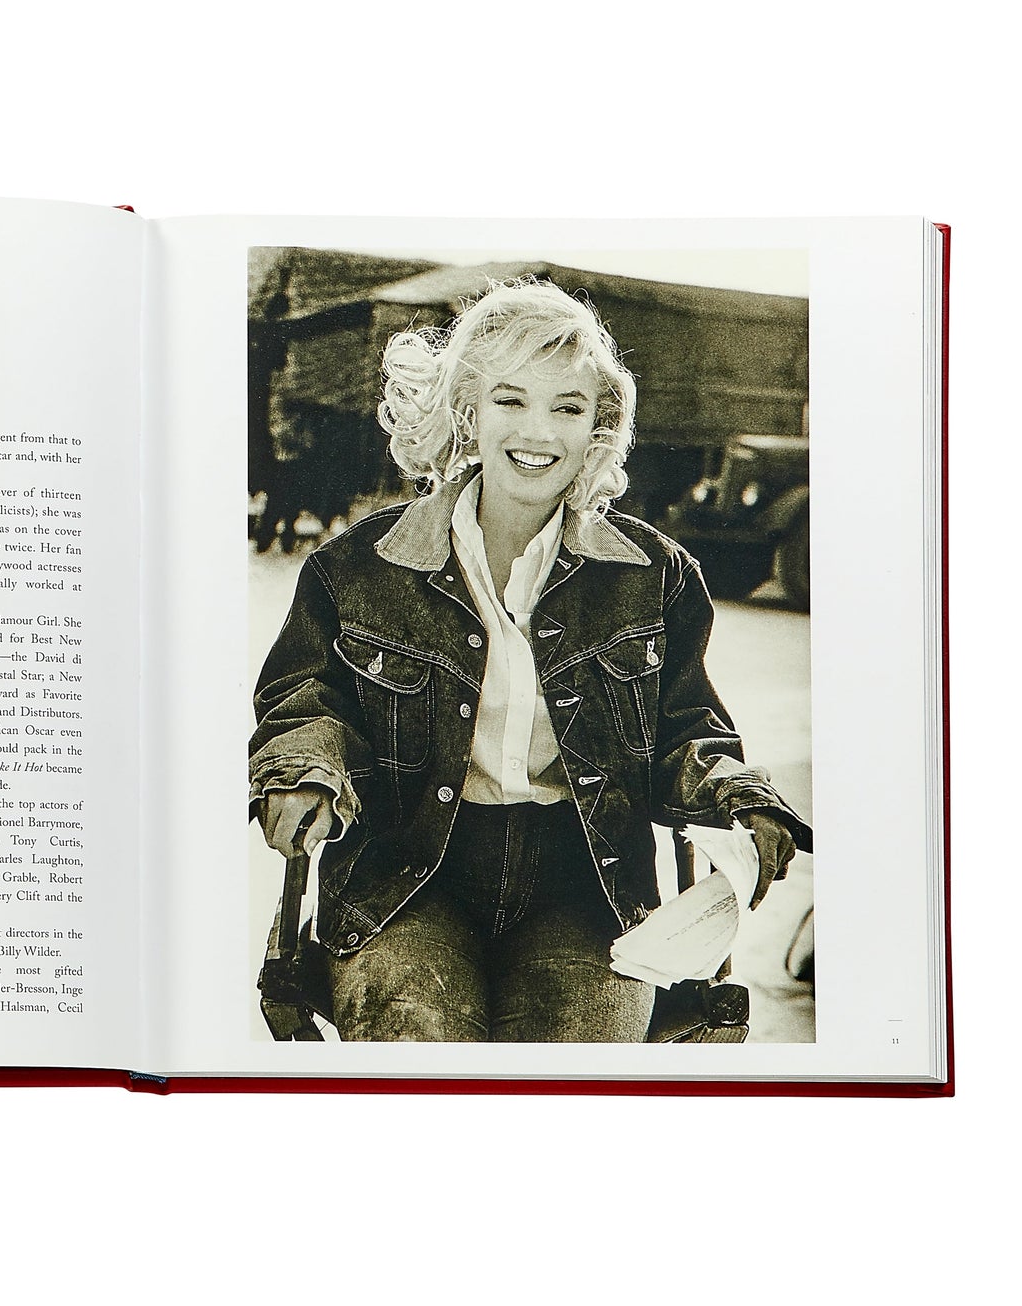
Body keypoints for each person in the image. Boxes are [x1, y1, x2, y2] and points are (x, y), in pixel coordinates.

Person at [249, 278, 811, 1042]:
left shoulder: (655, 577)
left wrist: (739, 795)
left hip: (586, 889)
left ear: (597, 428)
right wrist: (303, 772)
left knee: (581, 1073)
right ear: (468, 412)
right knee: (417, 1055)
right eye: (510, 400)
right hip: (406, 881)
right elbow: (307, 700)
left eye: (567, 408)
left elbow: (686, 729)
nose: (538, 431)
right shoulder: (356, 569)